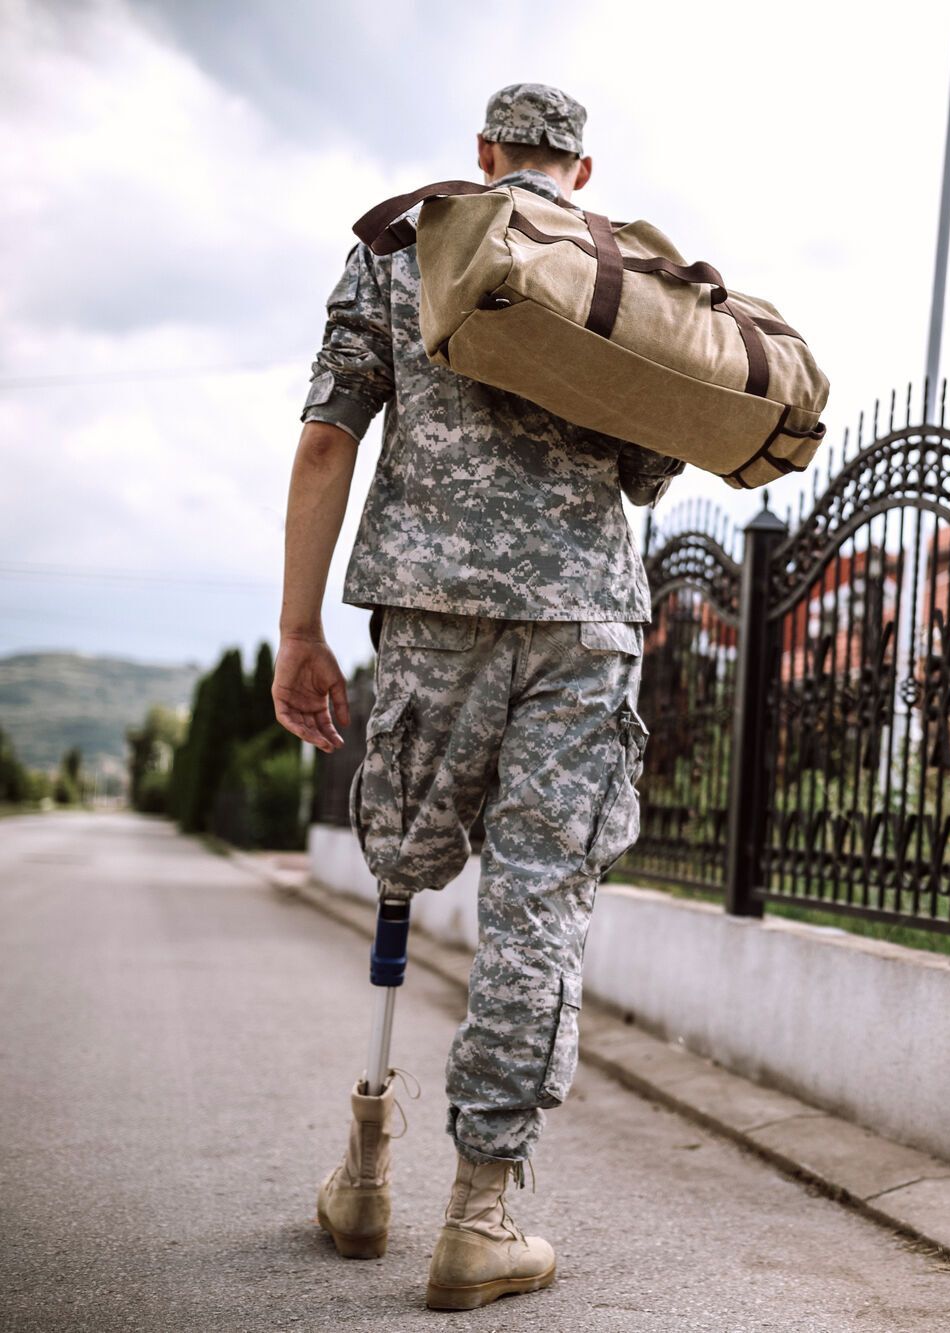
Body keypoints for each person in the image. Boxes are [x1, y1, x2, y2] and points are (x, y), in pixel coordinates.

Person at [273, 82, 680, 1311]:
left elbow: (326, 439)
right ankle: (481, 1211)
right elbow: (656, 461)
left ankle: (364, 1163)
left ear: (488, 153)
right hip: (583, 627)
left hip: (432, 613)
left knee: (399, 856)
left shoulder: (397, 251)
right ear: (583, 172)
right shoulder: (622, 275)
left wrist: (300, 628)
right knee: (540, 905)